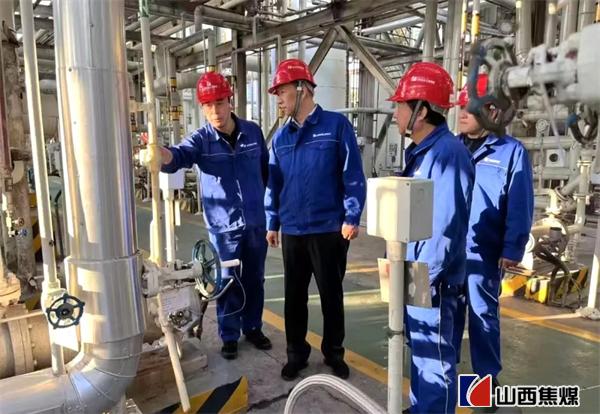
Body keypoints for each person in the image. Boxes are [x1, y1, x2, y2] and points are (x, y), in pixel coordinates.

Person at [264, 58, 366, 381]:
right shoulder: (281, 138)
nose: (279, 100)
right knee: (294, 298)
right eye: (276, 94)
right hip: (293, 231)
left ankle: (334, 353)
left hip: (329, 230)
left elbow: (353, 175)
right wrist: (272, 221)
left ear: (302, 89)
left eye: (282, 92)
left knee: (331, 297)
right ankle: (296, 355)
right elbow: (274, 183)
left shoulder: (336, 127)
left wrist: (352, 215)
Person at [159, 71, 271, 360]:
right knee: (227, 281)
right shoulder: (201, 140)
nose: (215, 111)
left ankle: (253, 327)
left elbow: (265, 171)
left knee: (255, 279)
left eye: (219, 103)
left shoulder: (253, 132)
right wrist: (159, 154)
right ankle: (229, 335)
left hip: (256, 222)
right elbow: (177, 157)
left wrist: (269, 213)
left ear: (230, 101)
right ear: (202, 107)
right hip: (224, 228)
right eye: (208, 105)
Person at [389, 62, 474, 414]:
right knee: (421, 354)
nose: (395, 113)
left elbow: (445, 230)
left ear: (421, 111)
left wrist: (421, 282)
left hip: (432, 281)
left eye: (400, 106)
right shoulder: (423, 153)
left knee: (435, 361)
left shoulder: (448, 155)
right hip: (417, 273)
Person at [452, 74, 534, 390]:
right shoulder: (451, 147)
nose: (461, 113)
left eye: (469, 107)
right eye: (460, 106)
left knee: (483, 316)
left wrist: (512, 248)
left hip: (484, 251)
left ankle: (485, 383)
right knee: (447, 314)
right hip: (448, 250)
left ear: (492, 111)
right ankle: (445, 377)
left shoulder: (511, 152)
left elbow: (520, 203)